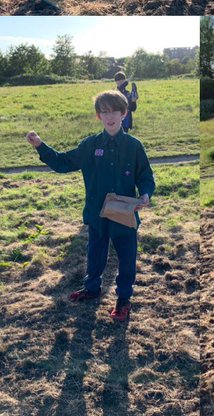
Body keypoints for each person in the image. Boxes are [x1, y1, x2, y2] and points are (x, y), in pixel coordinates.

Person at [26, 89, 154, 322]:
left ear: (124, 114)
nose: (110, 116)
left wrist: (145, 195)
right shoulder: (90, 145)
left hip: (125, 215)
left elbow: (145, 176)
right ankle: (92, 288)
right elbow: (63, 162)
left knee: (127, 259)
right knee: (95, 254)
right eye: (104, 112)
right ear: (98, 116)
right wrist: (40, 146)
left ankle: (124, 299)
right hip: (97, 214)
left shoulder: (134, 146)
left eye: (115, 111)